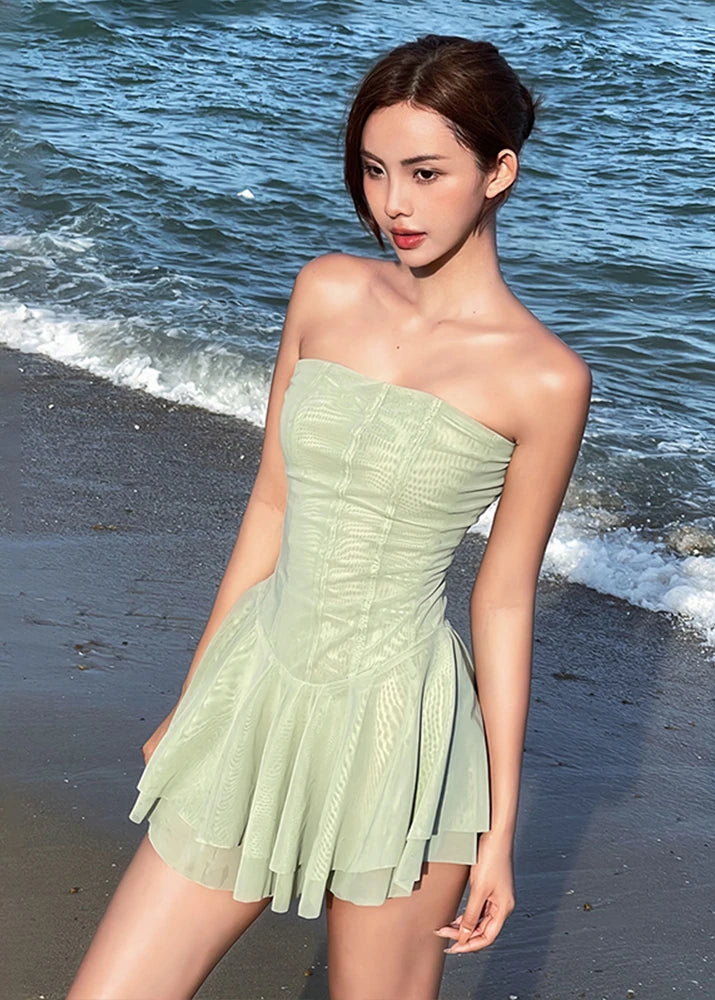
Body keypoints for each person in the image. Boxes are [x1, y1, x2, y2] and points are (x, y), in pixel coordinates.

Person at [66, 33, 591, 1000]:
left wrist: (497, 831)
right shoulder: (327, 290)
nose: (395, 204)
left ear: (498, 172)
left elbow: (503, 600)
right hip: (258, 688)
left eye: (426, 173)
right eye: (375, 170)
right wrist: (196, 696)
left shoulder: (546, 380)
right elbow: (270, 504)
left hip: (403, 736)